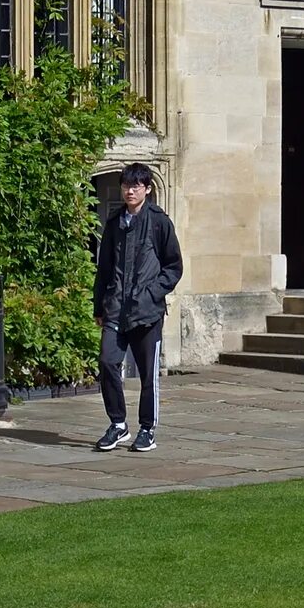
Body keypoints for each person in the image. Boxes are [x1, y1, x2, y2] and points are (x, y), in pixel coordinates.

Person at [92, 163, 184, 453]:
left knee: (147, 375)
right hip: (116, 309)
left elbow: (173, 266)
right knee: (107, 362)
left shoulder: (158, 222)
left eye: (136, 186)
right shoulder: (114, 223)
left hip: (147, 312)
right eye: (126, 186)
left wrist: (152, 293)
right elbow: (104, 269)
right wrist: (99, 307)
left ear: (147, 189)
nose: (130, 191)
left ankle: (147, 429)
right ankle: (118, 424)